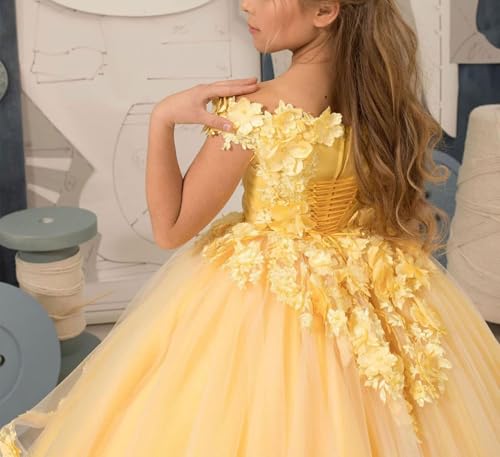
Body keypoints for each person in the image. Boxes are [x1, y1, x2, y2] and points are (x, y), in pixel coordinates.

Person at [1, 0, 499, 455]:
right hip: (381, 286)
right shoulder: (382, 102)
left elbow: (170, 229)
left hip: (272, 300)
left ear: (325, 10)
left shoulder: (255, 112)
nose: (246, 6)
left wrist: (163, 119)